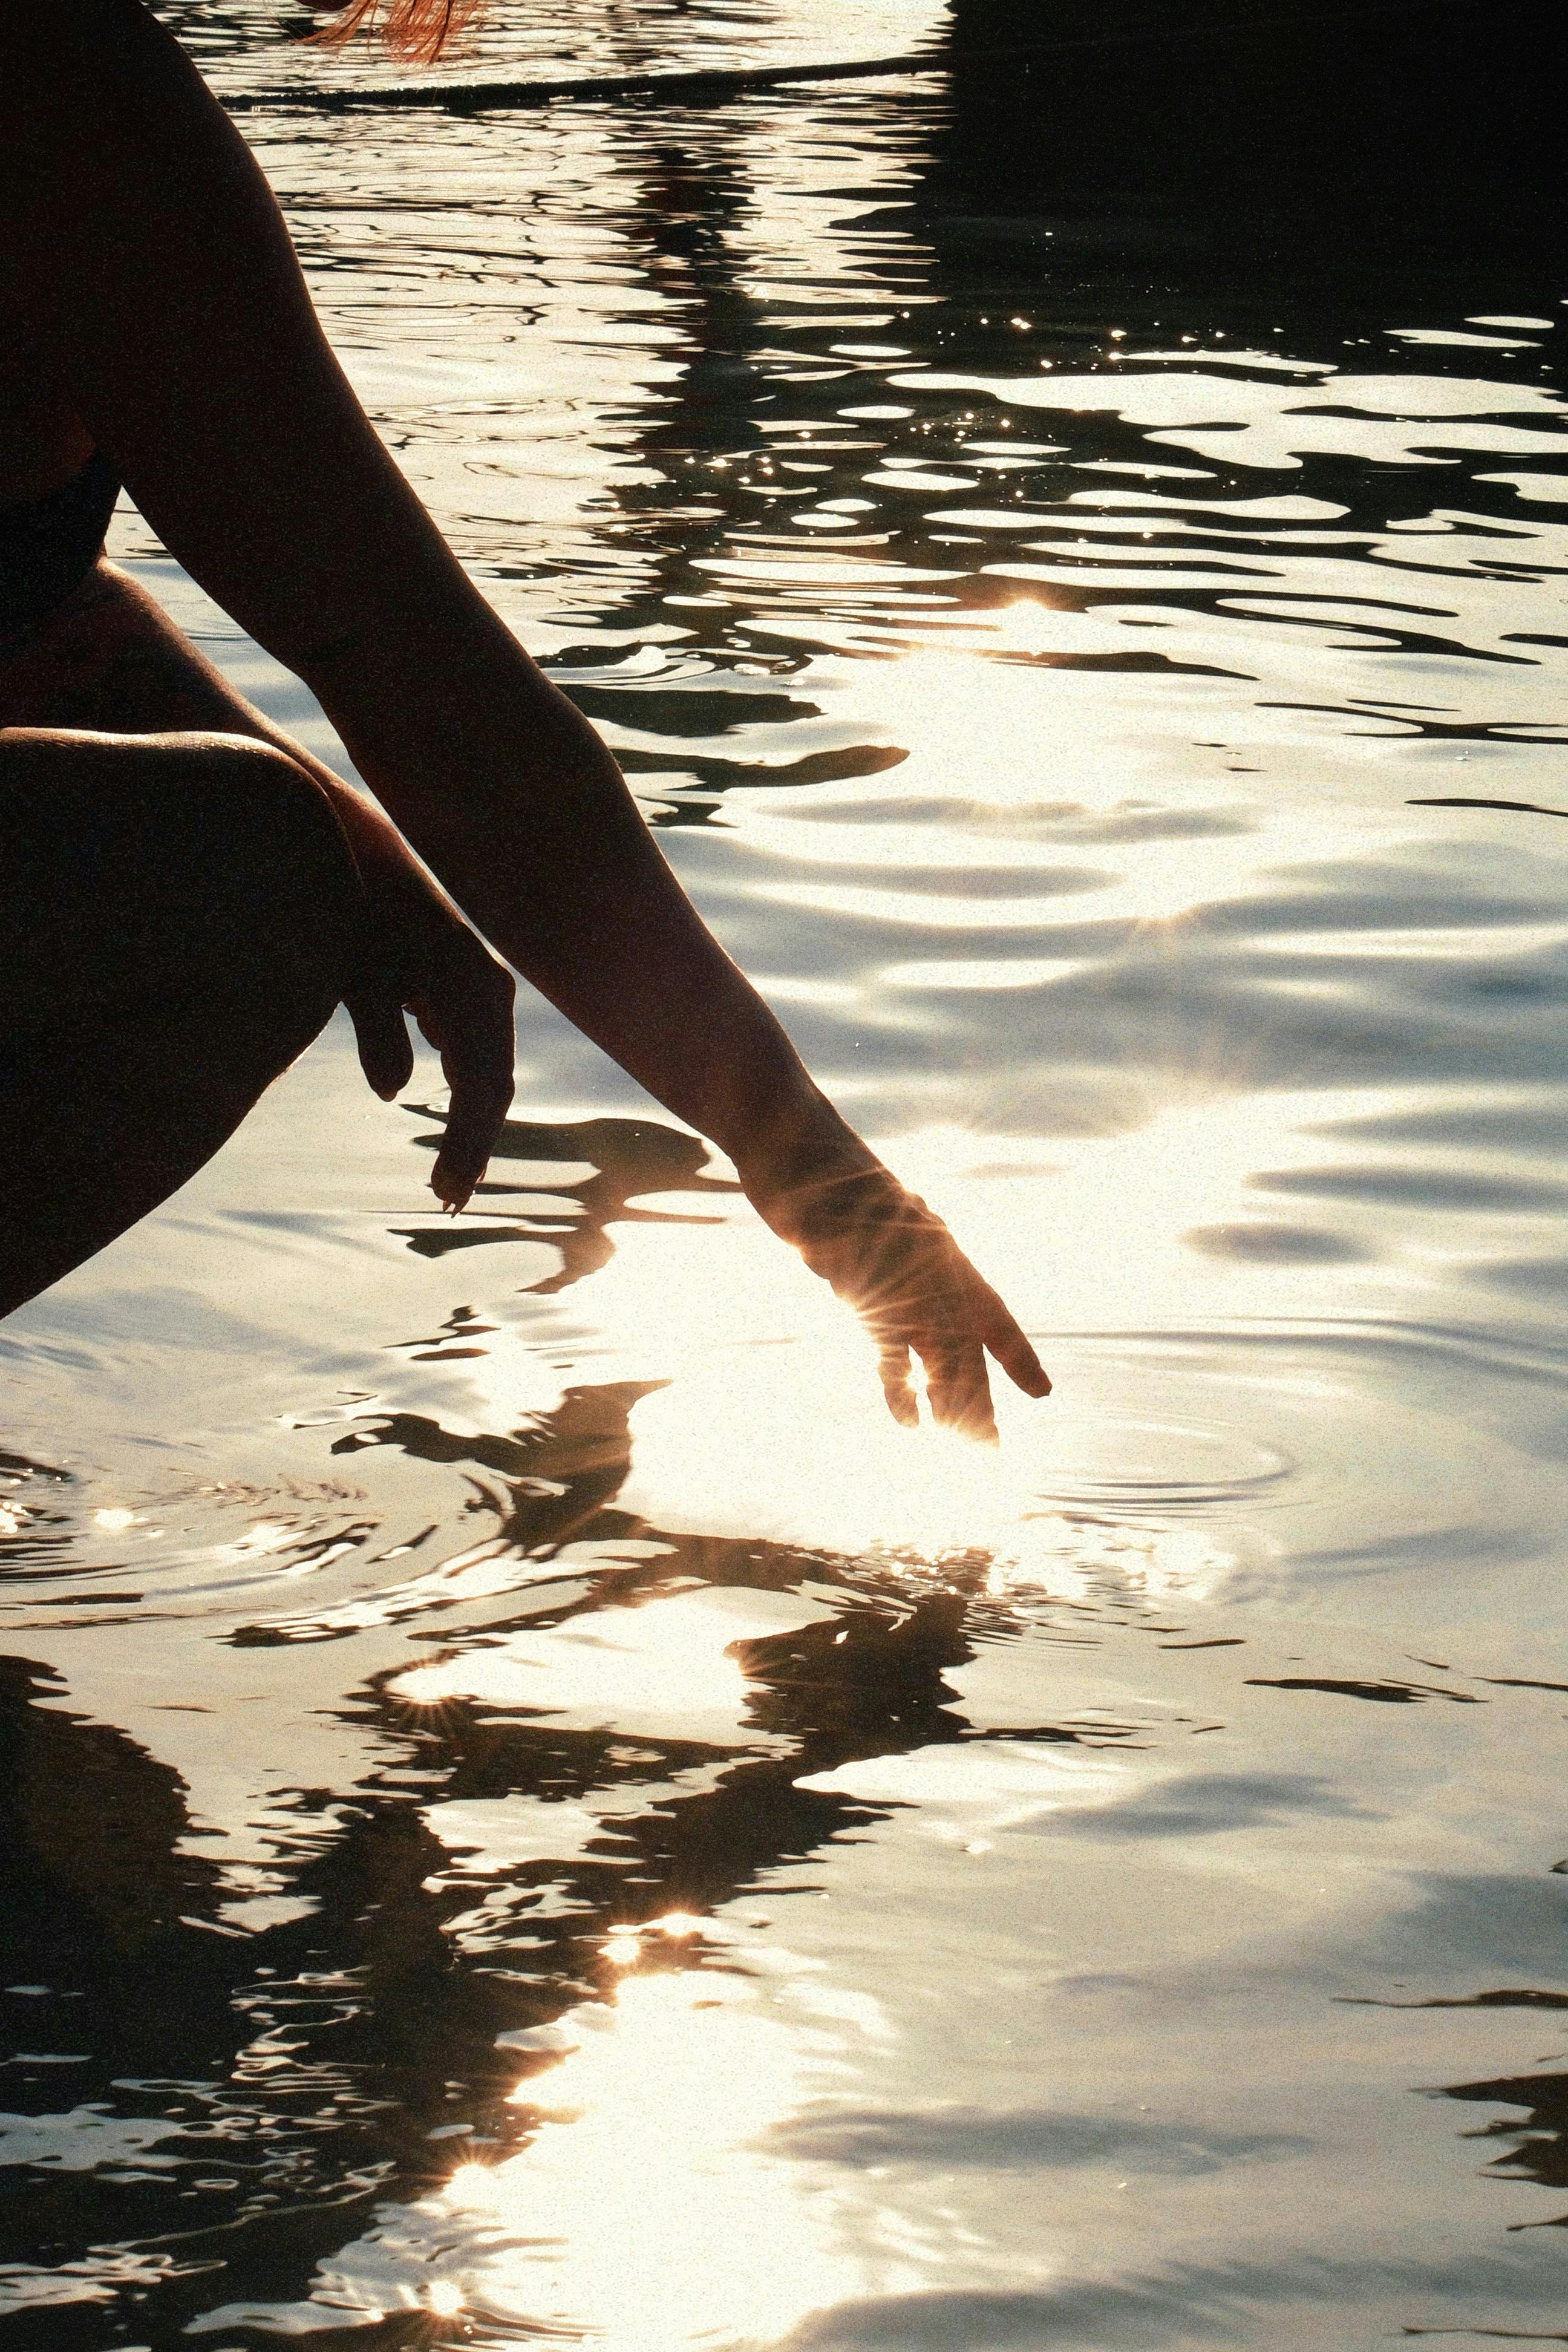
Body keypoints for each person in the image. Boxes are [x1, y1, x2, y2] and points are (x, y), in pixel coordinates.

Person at [0, 0, 1050, 1439]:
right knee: (241, 872)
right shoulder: (55, 83)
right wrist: (819, 1175)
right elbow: (422, 677)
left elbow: (42, 585)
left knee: (291, 849)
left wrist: (370, 847)